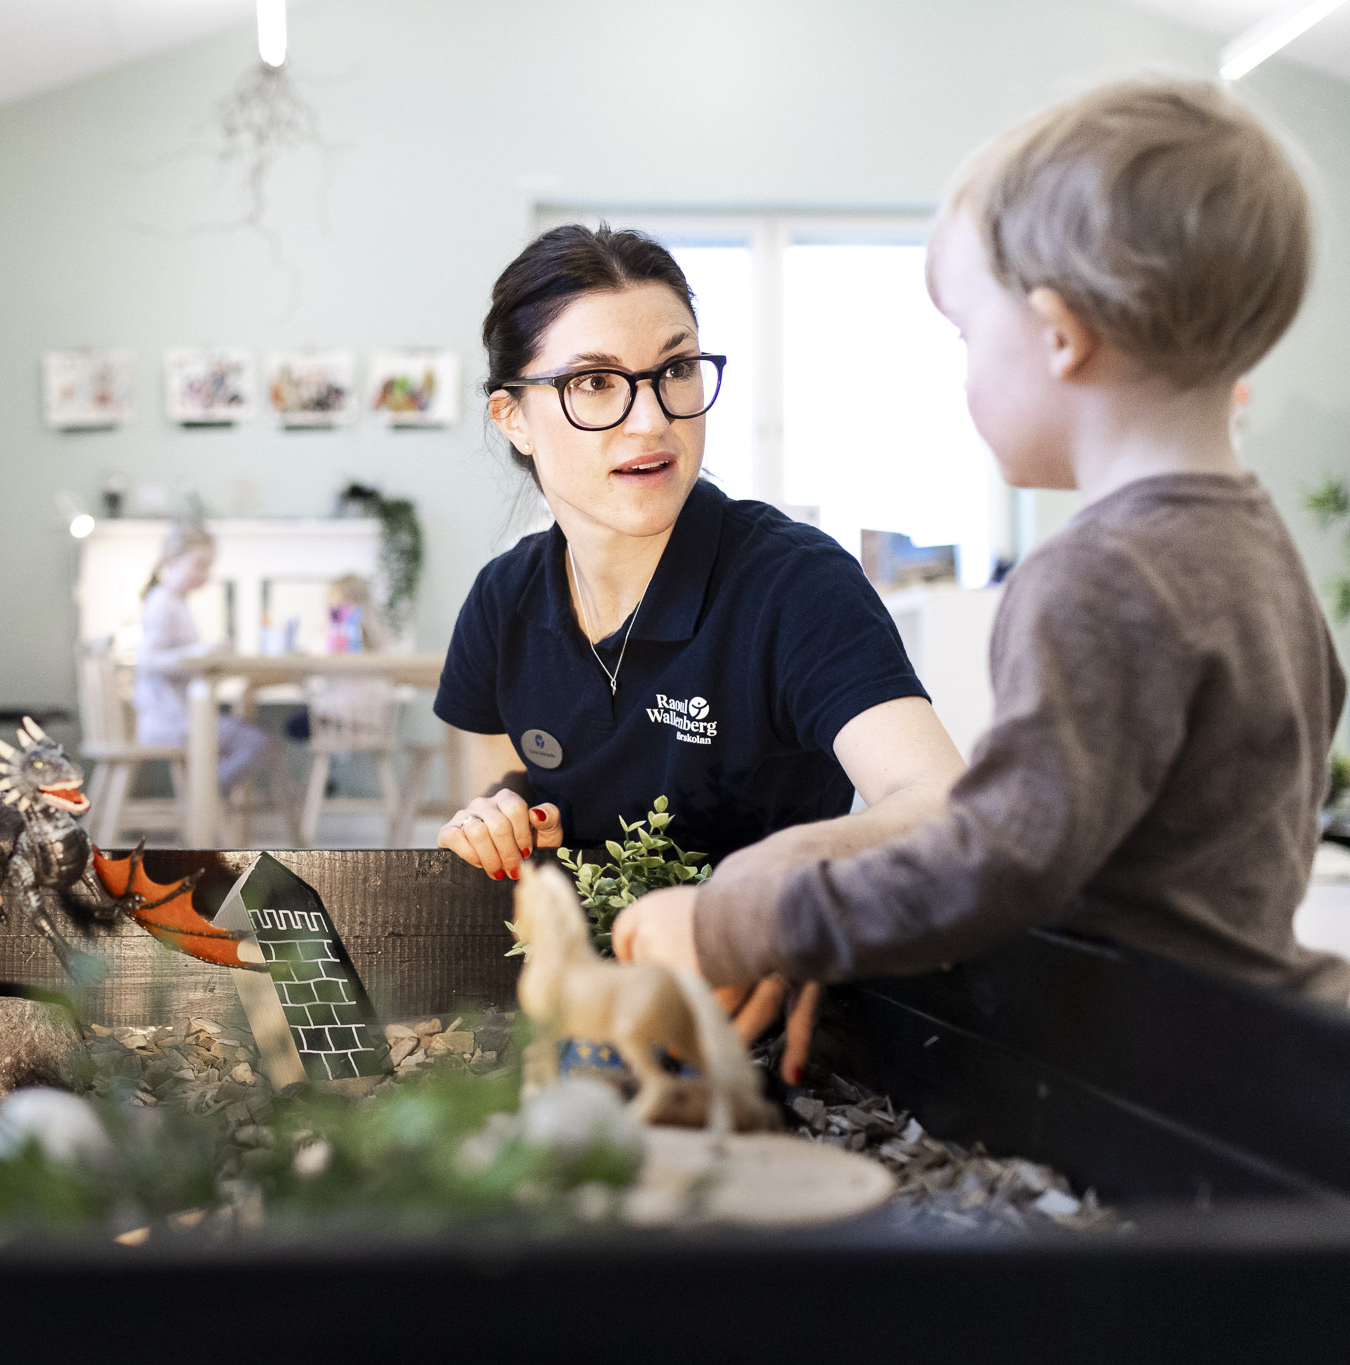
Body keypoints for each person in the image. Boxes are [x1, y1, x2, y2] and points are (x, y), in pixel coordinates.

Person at [614, 77, 1350, 1009]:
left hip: (1126, 1053)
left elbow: (997, 863)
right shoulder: (1260, 551)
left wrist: (736, 922)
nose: (962, 369)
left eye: (965, 332)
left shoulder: (1099, 573)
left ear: (1058, 336)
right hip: (1224, 1022)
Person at [435, 224, 966, 890]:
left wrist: (759, 895)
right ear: (512, 417)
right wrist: (494, 824)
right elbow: (507, 873)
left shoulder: (795, 584)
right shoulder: (501, 603)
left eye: (676, 369)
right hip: (581, 987)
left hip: (766, 980)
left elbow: (941, 808)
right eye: (596, 380)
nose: (652, 420)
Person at [132, 522, 267, 792]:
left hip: (180, 717)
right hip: (169, 722)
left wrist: (209, 654)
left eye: (209, 567)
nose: (205, 574)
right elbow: (149, 660)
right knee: (254, 742)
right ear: (172, 560)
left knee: (246, 734)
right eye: (200, 565)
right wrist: (200, 654)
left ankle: (206, 796)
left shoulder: (177, 603)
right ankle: (207, 793)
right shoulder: (162, 603)